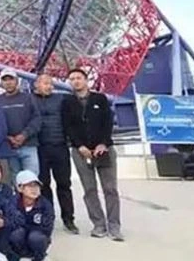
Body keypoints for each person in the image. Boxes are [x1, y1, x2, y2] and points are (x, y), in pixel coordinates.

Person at [61, 68, 121, 241]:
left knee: (110, 189)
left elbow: (107, 122)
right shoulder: (67, 102)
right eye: (72, 79)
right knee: (89, 189)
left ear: (86, 80)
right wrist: (79, 145)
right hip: (81, 152)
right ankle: (99, 224)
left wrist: (103, 142)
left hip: (104, 149)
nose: (75, 81)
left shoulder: (100, 99)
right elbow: (68, 127)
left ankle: (114, 226)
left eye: (79, 78)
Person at [32, 73, 78, 234]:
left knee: (64, 184)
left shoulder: (61, 100)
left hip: (60, 146)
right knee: (43, 185)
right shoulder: (30, 100)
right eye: (45, 83)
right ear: (36, 85)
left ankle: (69, 219)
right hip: (40, 147)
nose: (49, 86)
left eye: (51, 83)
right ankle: (48, 217)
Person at [0, 69, 42, 177]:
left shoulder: (28, 98)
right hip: (9, 148)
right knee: (16, 181)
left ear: (16, 81)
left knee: (32, 178)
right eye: (5, 80)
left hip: (29, 146)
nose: (8, 82)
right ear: (1, 83)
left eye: (11, 79)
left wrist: (24, 135)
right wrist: (8, 138)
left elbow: (37, 119)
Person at [10, 170, 54, 261]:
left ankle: (40, 257)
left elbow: (47, 228)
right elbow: (11, 222)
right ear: (20, 188)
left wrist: (27, 226)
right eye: (30, 185)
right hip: (21, 238)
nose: (34, 189)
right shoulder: (13, 202)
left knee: (36, 237)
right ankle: (24, 256)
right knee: (16, 234)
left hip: (37, 236)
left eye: (36, 185)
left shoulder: (45, 205)